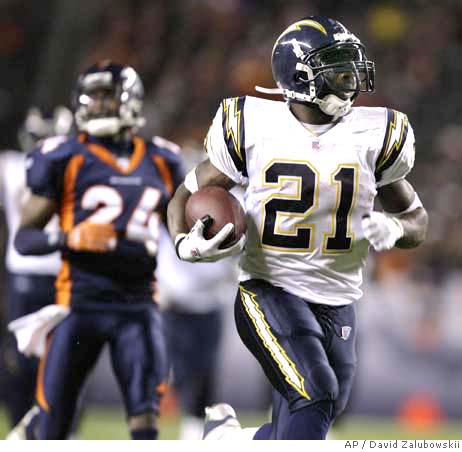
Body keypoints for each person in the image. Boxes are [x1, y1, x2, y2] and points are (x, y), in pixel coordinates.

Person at [166, 15, 428, 440]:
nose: (351, 77)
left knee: (314, 415)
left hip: (338, 299)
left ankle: (225, 440)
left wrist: (395, 230)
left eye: (351, 65)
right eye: (338, 66)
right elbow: (183, 195)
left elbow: (416, 219)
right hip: (269, 289)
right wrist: (183, 243)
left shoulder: (374, 135)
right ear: (301, 74)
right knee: (316, 394)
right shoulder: (253, 125)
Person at [8, 61, 185, 440]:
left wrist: (199, 240)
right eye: (95, 97)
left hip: (138, 307)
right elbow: (24, 239)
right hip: (80, 305)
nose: (100, 106)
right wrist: (69, 238)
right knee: (54, 424)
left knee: (145, 423)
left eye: (108, 96)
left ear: (131, 100)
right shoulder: (63, 156)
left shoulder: (163, 159)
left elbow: (178, 232)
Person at [0, 105, 73, 427]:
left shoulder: (10, 165)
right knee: (59, 358)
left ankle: (28, 426)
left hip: (31, 273)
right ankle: (45, 428)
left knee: (31, 357)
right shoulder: (78, 165)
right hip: (57, 271)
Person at [156, 223, 239, 440]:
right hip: (174, 300)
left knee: (205, 373)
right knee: (177, 371)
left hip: (209, 300)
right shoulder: (170, 212)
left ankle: (195, 429)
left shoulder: (229, 207)